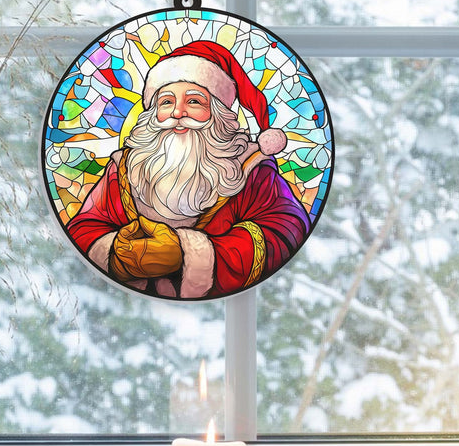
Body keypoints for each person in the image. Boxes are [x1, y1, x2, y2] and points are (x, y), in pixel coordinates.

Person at [67, 40, 311, 299]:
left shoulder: (250, 169)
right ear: (152, 113)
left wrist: (187, 253)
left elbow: (287, 230)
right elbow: (84, 228)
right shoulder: (126, 168)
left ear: (218, 113)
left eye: (194, 101)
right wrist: (115, 255)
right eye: (166, 102)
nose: (178, 112)